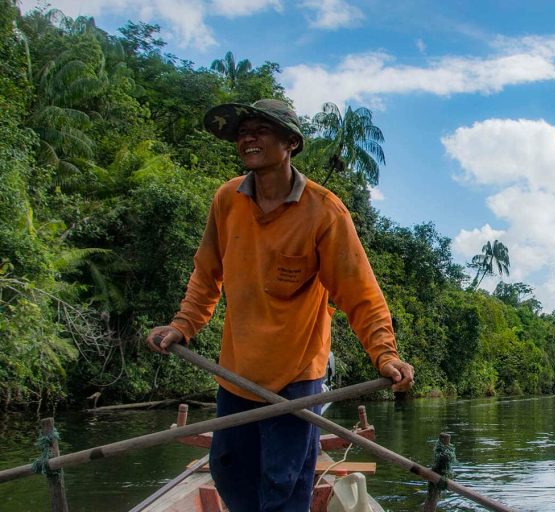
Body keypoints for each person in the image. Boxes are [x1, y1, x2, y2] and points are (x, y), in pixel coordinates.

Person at [145, 98, 414, 511]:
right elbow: (206, 273)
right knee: (229, 471)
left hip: (296, 379)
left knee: (284, 484)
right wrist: (183, 325)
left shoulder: (324, 212)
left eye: (261, 130)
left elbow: (360, 292)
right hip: (236, 373)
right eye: (242, 132)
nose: (247, 137)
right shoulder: (227, 200)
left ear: (291, 143)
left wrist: (385, 353)